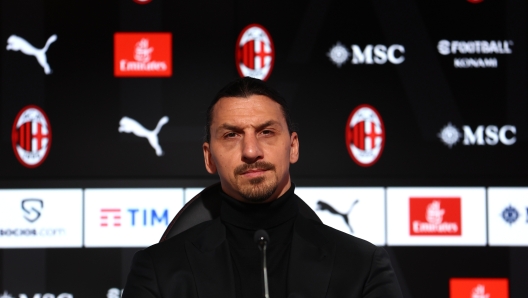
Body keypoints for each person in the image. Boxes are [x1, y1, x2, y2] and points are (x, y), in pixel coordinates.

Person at [123, 77, 403, 298]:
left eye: (266, 132)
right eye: (231, 135)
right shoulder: (157, 271)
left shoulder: (362, 267)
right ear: (209, 157)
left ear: (292, 147)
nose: (251, 150)